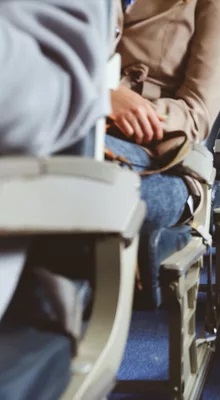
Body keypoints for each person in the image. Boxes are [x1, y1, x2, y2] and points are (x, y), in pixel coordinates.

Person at [0, 0, 110, 320]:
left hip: (151, 141)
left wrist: (147, 115)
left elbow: (196, 112)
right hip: (101, 117)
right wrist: (110, 96)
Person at [106, 0, 220, 231]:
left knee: (83, 184)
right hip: (74, 119)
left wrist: (134, 110)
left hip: (156, 150)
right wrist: (104, 96)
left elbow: (198, 113)